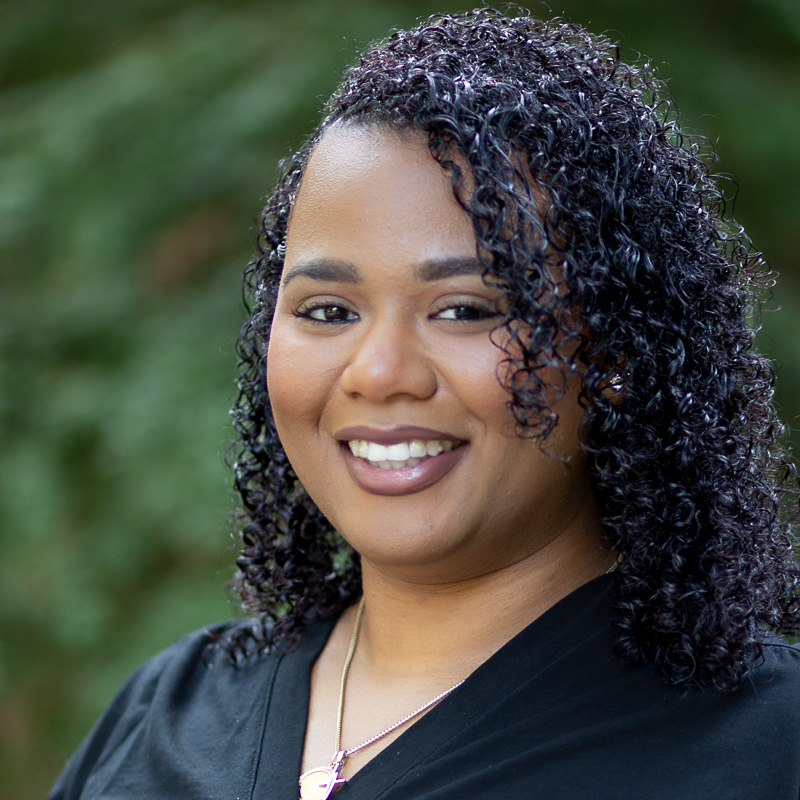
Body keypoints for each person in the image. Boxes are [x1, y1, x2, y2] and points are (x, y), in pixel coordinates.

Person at [50, 9, 800, 800]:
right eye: (328, 311)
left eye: (465, 309)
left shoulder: (761, 751)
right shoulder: (171, 712)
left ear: (612, 353)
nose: (377, 373)